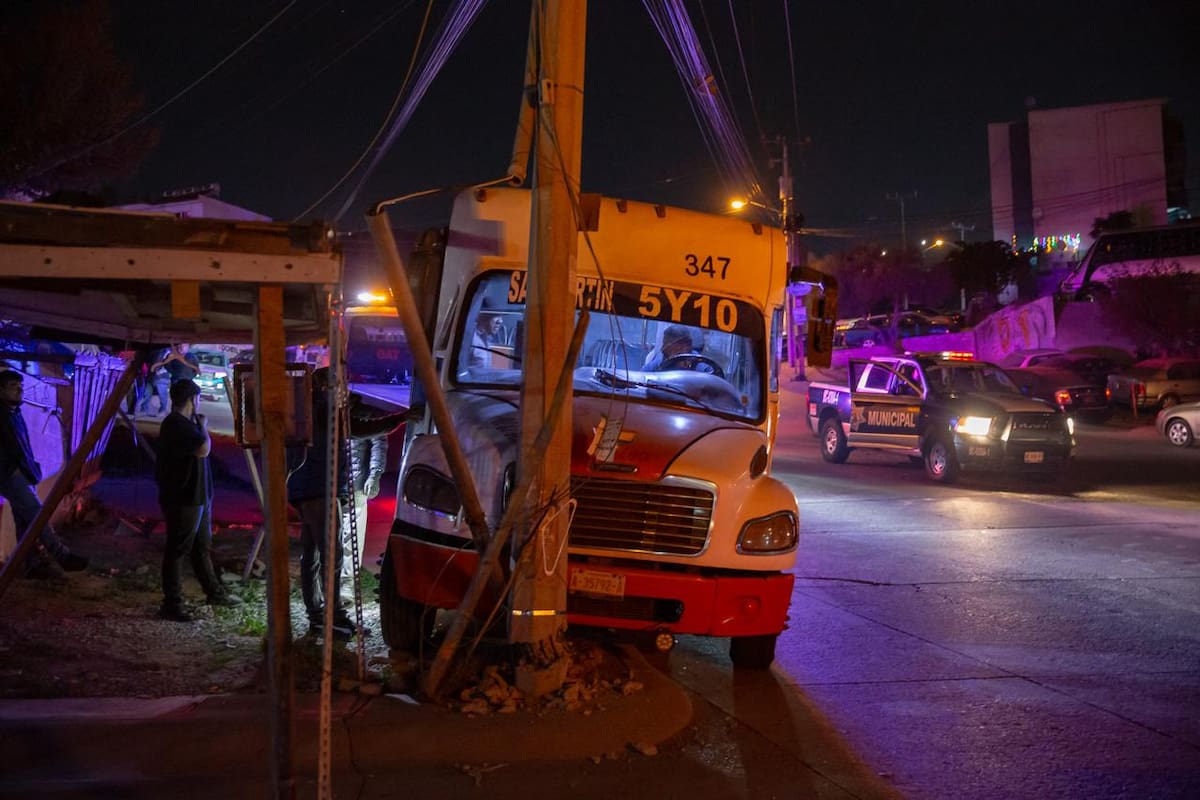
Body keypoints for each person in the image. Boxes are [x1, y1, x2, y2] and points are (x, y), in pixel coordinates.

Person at [155, 379, 241, 622]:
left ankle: (213, 592)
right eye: (198, 398)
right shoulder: (176, 425)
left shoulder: (183, 424)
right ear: (193, 399)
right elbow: (203, 449)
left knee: (200, 547)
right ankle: (172, 603)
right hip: (185, 498)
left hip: (198, 497)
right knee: (178, 549)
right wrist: (203, 426)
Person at [0, 370, 88, 578]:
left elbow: (22, 446)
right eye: (13, 386)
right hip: (9, 474)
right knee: (36, 513)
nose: (19, 390)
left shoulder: (14, 412)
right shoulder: (2, 414)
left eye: (20, 386)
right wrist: (14, 470)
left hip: (19, 471)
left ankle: (30, 563)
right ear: (1, 390)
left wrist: (31, 467)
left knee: (25, 519)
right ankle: (61, 555)